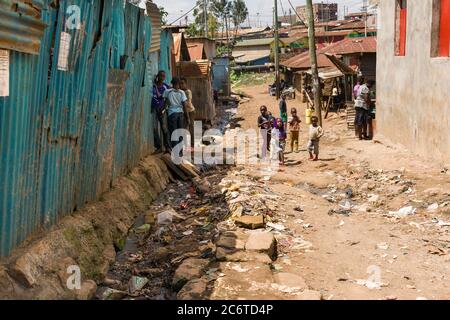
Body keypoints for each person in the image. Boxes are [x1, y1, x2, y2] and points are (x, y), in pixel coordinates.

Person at [163, 77, 190, 149]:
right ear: (178, 84)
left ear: (172, 83)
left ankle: (176, 152)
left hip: (171, 114)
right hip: (180, 115)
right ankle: (180, 152)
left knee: (173, 133)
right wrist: (187, 117)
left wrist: (164, 111)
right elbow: (184, 106)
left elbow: (165, 103)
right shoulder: (182, 92)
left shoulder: (167, 91)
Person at [152, 70, 170, 152]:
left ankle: (167, 147)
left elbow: (167, 97)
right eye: (161, 76)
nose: (162, 77)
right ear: (158, 76)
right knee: (155, 128)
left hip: (162, 109)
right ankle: (159, 146)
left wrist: (165, 107)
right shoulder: (153, 86)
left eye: (163, 76)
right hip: (155, 109)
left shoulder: (166, 86)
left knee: (164, 128)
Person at [180, 77, 195, 148]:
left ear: (186, 84)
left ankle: (192, 144)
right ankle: (185, 144)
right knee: (183, 128)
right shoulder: (180, 92)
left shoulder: (188, 92)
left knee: (191, 127)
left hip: (190, 111)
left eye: (182, 83)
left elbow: (188, 103)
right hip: (184, 112)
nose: (181, 85)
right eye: (180, 83)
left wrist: (182, 104)